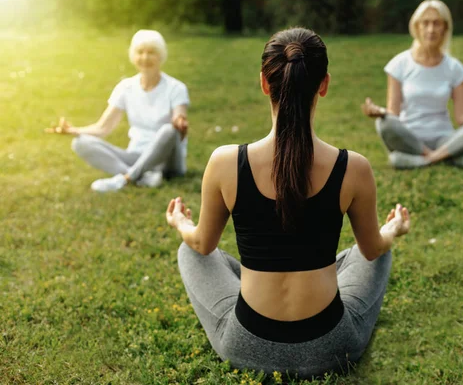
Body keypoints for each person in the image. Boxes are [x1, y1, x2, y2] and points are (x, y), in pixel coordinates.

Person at [165, 28, 410, 378]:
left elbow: (203, 244)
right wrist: (394, 229)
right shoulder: (353, 167)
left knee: (189, 251)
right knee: (375, 247)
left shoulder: (224, 162)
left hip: (246, 345)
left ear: (265, 83)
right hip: (332, 346)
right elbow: (372, 250)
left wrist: (180, 223)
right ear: (323, 84)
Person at [361, 0, 463, 169]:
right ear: (416, 27)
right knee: (383, 122)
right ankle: (449, 156)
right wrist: (380, 112)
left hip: (445, 138)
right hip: (411, 139)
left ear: (445, 28)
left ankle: (426, 160)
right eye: (425, 23)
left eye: (437, 23)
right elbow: (393, 114)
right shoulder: (399, 64)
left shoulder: (454, 68)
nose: (431, 29)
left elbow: (462, 117)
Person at [46, 30, 190, 192]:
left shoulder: (176, 88)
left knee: (169, 130)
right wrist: (73, 130)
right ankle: (142, 176)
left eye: (151, 52)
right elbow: (103, 128)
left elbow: (179, 116)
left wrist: (180, 121)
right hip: (135, 156)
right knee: (80, 142)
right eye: (140, 52)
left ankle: (127, 178)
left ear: (161, 56)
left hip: (168, 161)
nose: (145, 57)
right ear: (133, 56)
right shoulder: (125, 87)